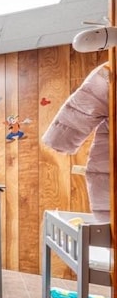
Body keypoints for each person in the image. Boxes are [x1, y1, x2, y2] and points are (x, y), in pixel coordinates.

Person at [42, 63, 110, 222]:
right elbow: (86, 104)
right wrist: (59, 140)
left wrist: (59, 140)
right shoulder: (112, 67)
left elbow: (86, 104)